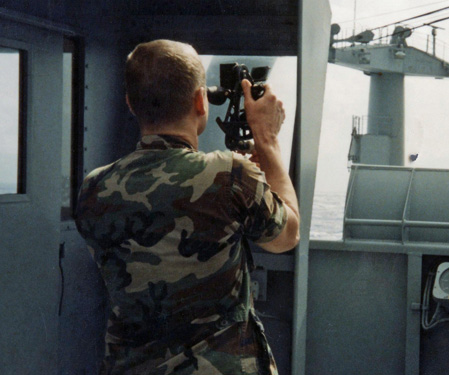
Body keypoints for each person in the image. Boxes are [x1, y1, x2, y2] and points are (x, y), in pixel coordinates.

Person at [75, 39, 300, 375]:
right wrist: (266, 140)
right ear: (200, 100)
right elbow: (287, 236)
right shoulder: (230, 175)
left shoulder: (94, 187)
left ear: (130, 103)